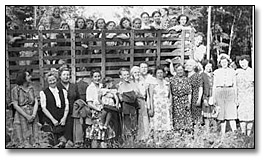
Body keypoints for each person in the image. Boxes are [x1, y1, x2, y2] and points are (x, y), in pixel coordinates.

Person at [85, 70, 115, 148]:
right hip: (96, 112)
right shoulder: (90, 88)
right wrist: (99, 109)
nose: (97, 78)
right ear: (91, 78)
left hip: (105, 110)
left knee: (104, 134)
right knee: (95, 135)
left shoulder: (103, 86)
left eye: (98, 76)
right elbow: (89, 103)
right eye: (95, 77)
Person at [40, 71, 69, 147]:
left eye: (53, 80)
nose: (52, 82)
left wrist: (64, 118)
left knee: (63, 143)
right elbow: (43, 108)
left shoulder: (63, 91)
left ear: (56, 79)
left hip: (62, 120)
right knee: (51, 142)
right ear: (47, 82)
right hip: (50, 120)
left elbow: (66, 105)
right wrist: (53, 120)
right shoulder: (43, 92)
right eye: (50, 80)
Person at [11, 69, 39, 146]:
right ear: (23, 77)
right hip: (21, 115)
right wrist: (27, 116)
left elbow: (36, 101)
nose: (30, 77)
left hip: (33, 113)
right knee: (23, 139)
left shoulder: (32, 88)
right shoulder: (15, 90)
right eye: (28, 75)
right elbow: (15, 105)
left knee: (35, 137)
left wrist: (33, 114)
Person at [212, 53, 237, 135]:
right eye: (222, 62)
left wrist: (236, 97)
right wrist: (214, 97)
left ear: (228, 62)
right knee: (221, 114)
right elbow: (214, 85)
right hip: (219, 92)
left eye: (225, 62)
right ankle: (223, 133)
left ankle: (235, 132)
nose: (224, 64)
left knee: (231, 113)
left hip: (230, 91)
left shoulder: (233, 72)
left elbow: (235, 85)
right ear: (220, 63)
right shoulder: (216, 72)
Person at [56, 65, 80, 145]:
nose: (66, 77)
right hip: (60, 112)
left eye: (68, 75)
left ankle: (68, 142)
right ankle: (62, 142)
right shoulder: (57, 86)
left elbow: (78, 98)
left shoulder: (73, 86)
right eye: (64, 75)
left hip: (72, 112)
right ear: (60, 76)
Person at [149, 66, 173, 143]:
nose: (160, 74)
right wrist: (151, 108)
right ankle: (156, 142)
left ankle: (163, 141)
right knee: (157, 124)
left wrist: (170, 105)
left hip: (165, 106)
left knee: (165, 124)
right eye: (158, 73)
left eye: (161, 73)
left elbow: (170, 95)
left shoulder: (167, 83)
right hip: (157, 106)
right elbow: (150, 97)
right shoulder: (153, 84)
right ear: (155, 74)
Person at [117, 67, 140, 141]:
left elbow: (136, 94)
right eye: (124, 75)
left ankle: (134, 142)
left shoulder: (133, 84)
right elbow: (120, 98)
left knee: (134, 125)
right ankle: (128, 142)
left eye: (127, 74)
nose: (126, 76)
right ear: (121, 76)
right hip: (126, 108)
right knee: (127, 126)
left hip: (133, 107)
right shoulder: (119, 86)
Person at [170, 64, 193, 132]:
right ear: (176, 71)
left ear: (183, 70)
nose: (180, 71)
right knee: (176, 117)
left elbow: (189, 92)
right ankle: (177, 132)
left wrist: (189, 102)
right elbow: (170, 92)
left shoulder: (187, 80)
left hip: (185, 100)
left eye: (181, 70)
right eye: (178, 70)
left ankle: (186, 133)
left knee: (186, 117)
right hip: (175, 101)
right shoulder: (172, 80)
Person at [130, 66, 150, 141]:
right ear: (132, 74)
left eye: (138, 72)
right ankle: (135, 137)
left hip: (142, 101)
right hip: (133, 102)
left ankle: (144, 137)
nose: (137, 74)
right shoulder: (131, 82)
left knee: (143, 118)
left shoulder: (143, 82)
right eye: (135, 72)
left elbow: (145, 94)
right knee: (134, 119)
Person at [236, 55, 254, 136]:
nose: (243, 64)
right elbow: (235, 86)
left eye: (244, 62)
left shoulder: (252, 71)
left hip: (250, 96)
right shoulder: (237, 72)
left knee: (250, 116)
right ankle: (243, 133)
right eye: (241, 62)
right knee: (242, 116)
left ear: (248, 62)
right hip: (241, 96)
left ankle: (249, 134)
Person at [185, 59, 203, 125]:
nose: (189, 67)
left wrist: (199, 99)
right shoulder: (185, 75)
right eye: (187, 65)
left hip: (195, 97)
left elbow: (200, 88)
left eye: (190, 65)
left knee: (196, 116)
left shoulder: (197, 75)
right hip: (186, 97)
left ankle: (197, 131)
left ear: (194, 66)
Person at [201, 60, 216, 131]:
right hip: (206, 96)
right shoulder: (202, 75)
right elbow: (201, 87)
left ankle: (215, 130)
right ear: (204, 67)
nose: (209, 68)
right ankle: (207, 130)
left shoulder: (213, 75)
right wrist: (204, 98)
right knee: (206, 115)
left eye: (210, 66)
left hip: (213, 96)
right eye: (207, 66)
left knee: (214, 114)